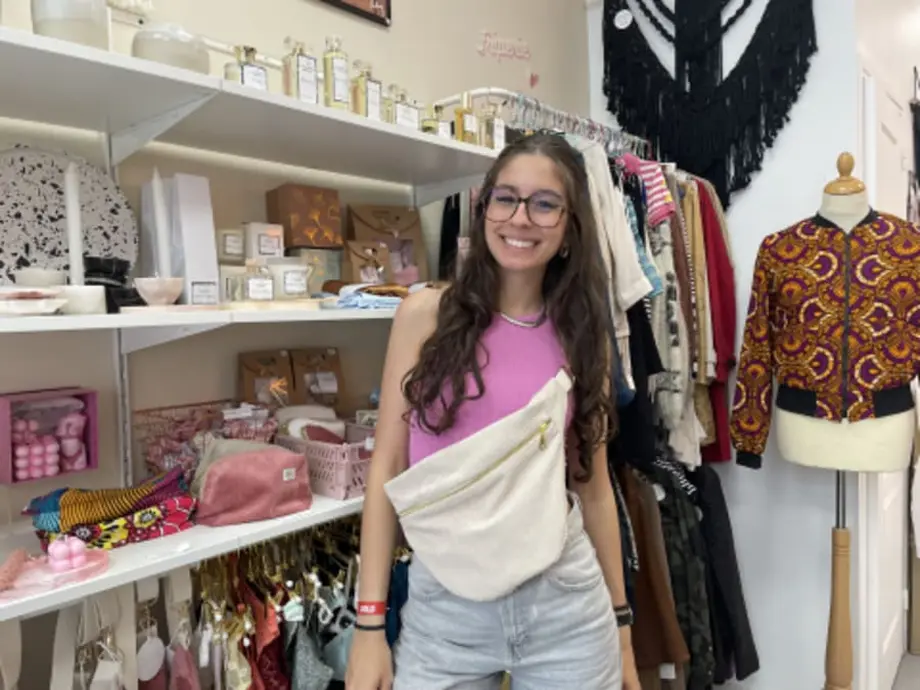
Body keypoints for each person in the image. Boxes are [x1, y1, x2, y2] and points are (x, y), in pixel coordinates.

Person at [345, 133, 639, 690]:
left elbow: (594, 487)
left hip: (565, 608)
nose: (520, 218)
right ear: (484, 209)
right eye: (506, 198)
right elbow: (387, 469)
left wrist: (623, 629)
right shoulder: (424, 316)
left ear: (570, 226)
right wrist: (369, 624)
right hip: (444, 613)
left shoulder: (585, 335)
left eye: (545, 204)